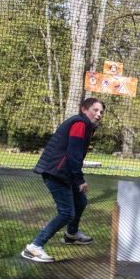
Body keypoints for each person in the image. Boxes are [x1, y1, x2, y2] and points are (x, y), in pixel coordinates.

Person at [21, 98, 103, 262]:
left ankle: (71, 235)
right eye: (95, 110)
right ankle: (34, 247)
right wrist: (79, 179)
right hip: (56, 172)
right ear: (84, 109)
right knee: (66, 213)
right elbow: (73, 154)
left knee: (80, 201)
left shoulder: (86, 125)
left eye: (101, 112)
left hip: (64, 172)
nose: (99, 114)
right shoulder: (80, 124)